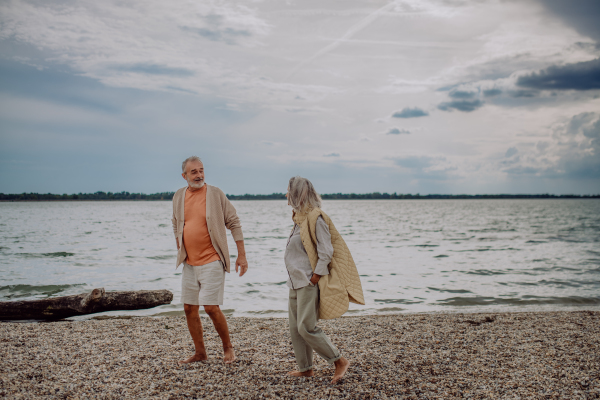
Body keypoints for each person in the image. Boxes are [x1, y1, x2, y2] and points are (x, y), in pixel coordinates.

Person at [284, 176, 364, 384]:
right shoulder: (299, 218)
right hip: (295, 282)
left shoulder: (315, 217)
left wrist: (315, 277)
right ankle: (305, 368)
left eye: (288, 190)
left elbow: (326, 251)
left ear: (297, 193)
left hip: (308, 281)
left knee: (306, 327)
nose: (286, 194)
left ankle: (339, 361)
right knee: (295, 328)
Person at [171, 156, 248, 364]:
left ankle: (228, 348)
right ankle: (200, 353)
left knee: (211, 307)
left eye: (201, 170)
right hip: (189, 261)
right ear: (184, 176)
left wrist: (241, 254)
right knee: (189, 307)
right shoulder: (178, 196)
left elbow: (234, 222)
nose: (199, 175)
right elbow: (176, 221)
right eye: (194, 172)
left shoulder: (215, 194)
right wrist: (179, 243)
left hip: (212, 259)